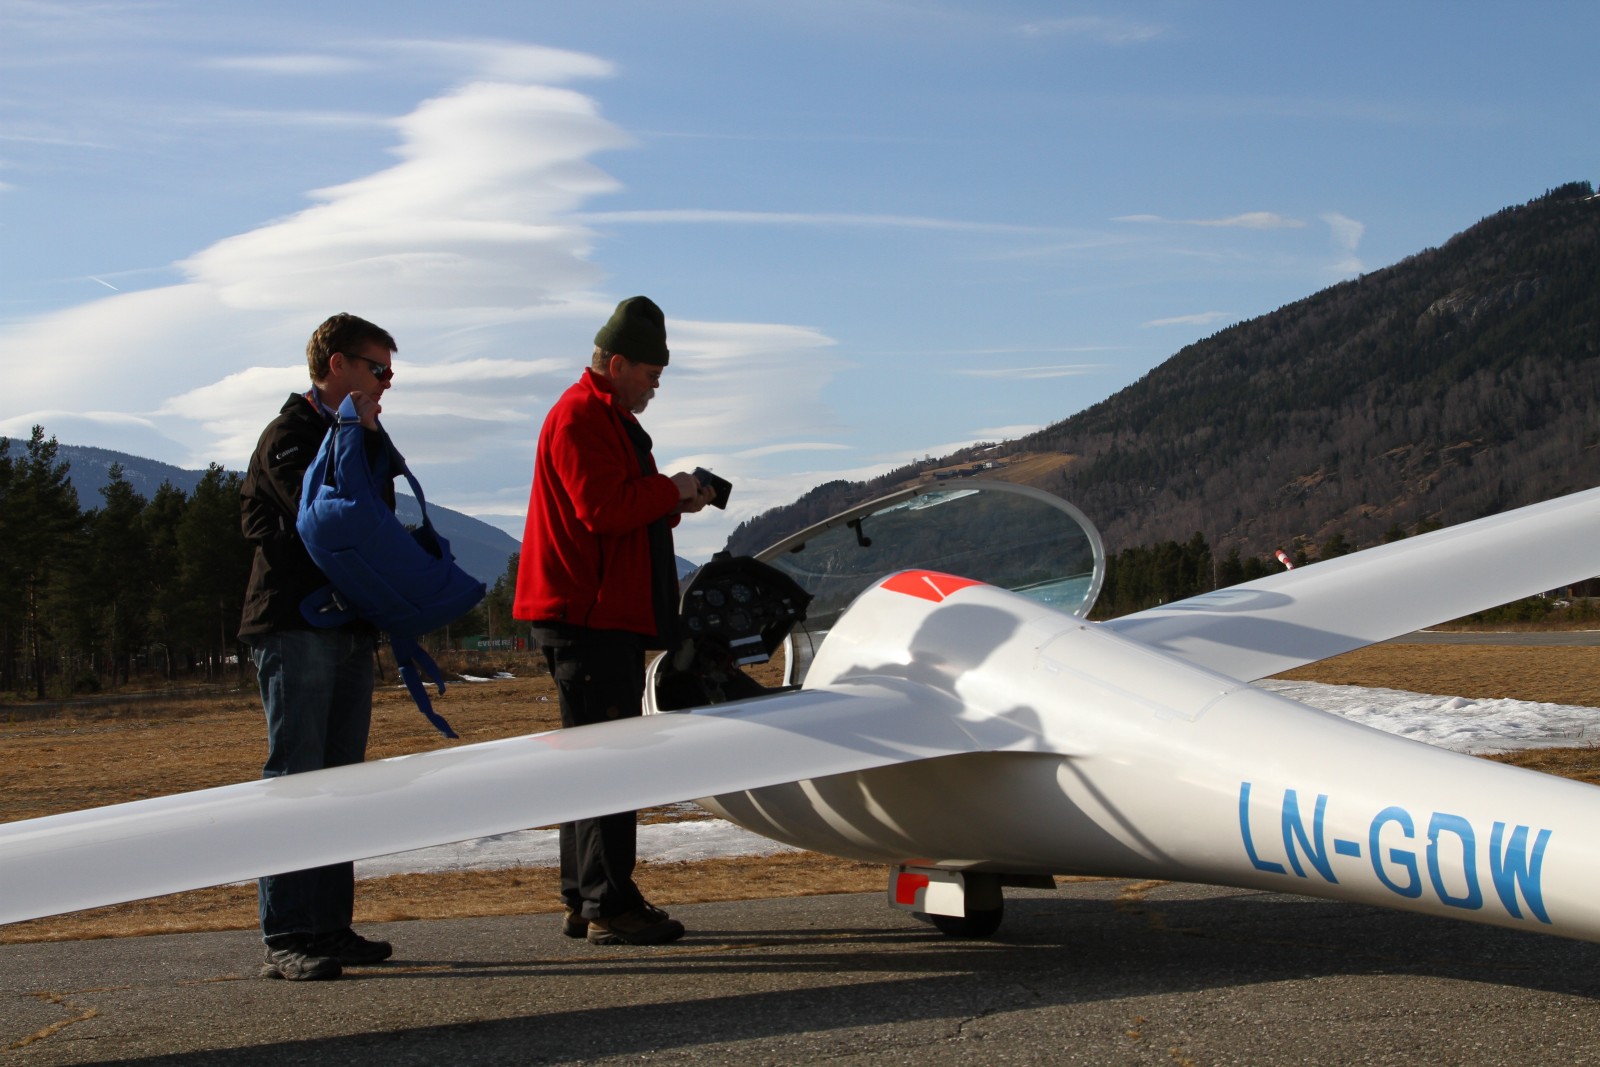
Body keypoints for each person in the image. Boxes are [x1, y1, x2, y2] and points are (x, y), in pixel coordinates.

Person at [514, 295, 717, 946]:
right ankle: (611, 903)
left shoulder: (599, 417)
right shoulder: (581, 415)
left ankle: (584, 895)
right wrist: (670, 488)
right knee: (609, 761)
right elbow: (600, 509)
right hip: (591, 618)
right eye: (651, 374)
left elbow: (616, 508)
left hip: (595, 615)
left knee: (587, 759)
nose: (656, 386)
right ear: (620, 363)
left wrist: (674, 501)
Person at [239, 312, 401, 981]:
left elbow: (380, 514)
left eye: (389, 372)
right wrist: (358, 440)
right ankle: (286, 933)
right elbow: (328, 515)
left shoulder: (359, 433)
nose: (387, 382)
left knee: (341, 781)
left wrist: (368, 438)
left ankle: (329, 925)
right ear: (337, 365)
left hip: (347, 626)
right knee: (297, 777)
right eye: (377, 368)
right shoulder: (291, 435)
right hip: (296, 627)